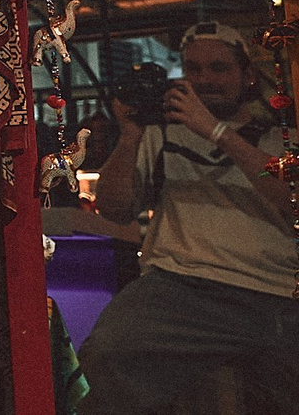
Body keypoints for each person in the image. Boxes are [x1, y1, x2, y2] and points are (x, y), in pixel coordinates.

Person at [77, 21, 299, 414]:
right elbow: (113, 209)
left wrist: (217, 132)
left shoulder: (279, 141)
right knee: (107, 353)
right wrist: (129, 135)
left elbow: (290, 196)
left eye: (219, 68)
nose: (205, 79)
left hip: (275, 291)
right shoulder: (163, 136)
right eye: (194, 69)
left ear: (247, 75)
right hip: (179, 288)